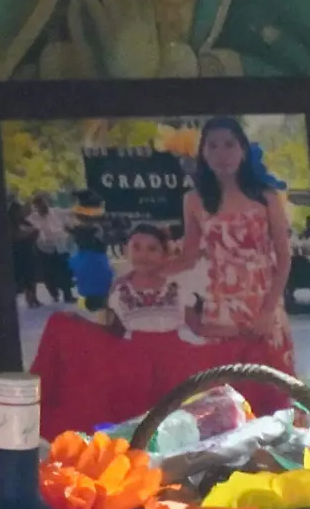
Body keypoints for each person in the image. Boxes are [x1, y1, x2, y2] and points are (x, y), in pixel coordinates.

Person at [168, 116, 295, 373]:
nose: (221, 153)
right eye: (212, 146)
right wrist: (151, 272)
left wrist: (268, 311)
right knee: (228, 385)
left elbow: (283, 259)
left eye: (229, 144)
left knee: (274, 379)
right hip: (221, 307)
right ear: (202, 153)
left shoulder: (266, 197)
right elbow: (189, 257)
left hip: (263, 300)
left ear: (243, 150)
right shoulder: (193, 200)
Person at [108, 224, 237, 339]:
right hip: (134, 358)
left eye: (152, 249)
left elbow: (198, 327)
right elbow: (115, 332)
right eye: (136, 248)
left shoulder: (178, 286)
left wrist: (240, 332)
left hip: (174, 357)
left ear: (164, 254)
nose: (143, 255)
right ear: (126, 250)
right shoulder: (119, 288)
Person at [23, 192, 76, 304]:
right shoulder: (32, 219)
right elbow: (26, 227)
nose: (44, 207)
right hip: (45, 249)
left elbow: (70, 212)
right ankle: (54, 292)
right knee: (48, 274)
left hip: (60, 246)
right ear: (36, 207)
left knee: (65, 271)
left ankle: (68, 295)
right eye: (40, 205)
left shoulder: (56, 212)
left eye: (44, 204)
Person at [9, 196, 40, 308]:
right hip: (17, 254)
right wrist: (28, 234)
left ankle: (33, 298)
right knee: (20, 278)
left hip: (28, 252)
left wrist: (32, 234)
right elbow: (14, 236)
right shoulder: (9, 223)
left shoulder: (24, 222)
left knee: (31, 276)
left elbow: (34, 230)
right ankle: (27, 298)